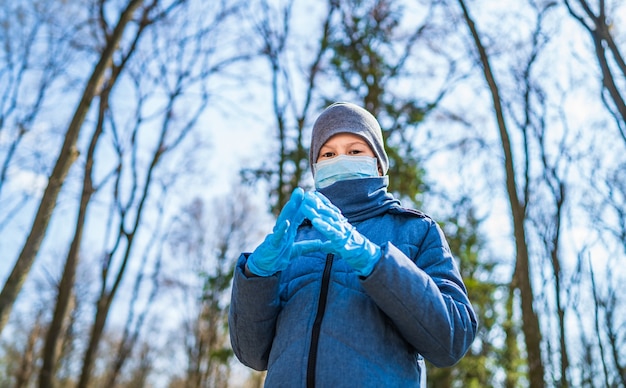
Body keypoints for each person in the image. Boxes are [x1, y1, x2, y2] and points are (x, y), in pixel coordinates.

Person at [228, 102, 477, 387]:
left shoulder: (416, 230)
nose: (340, 160)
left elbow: (452, 339)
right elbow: (251, 353)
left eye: (355, 151)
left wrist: (376, 263)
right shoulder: (294, 237)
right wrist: (256, 278)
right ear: (315, 167)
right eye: (328, 153)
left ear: (379, 163)